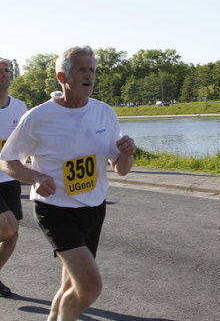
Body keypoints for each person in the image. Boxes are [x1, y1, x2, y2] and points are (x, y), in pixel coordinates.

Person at [0, 46, 136, 321]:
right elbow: (8, 162)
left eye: (93, 70)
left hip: (93, 208)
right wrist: (36, 177)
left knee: (70, 286)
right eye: (82, 70)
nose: (90, 75)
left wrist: (127, 153)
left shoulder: (105, 113)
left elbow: (121, 169)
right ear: (63, 76)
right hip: (55, 210)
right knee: (89, 287)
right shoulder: (38, 117)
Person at [0, 57, 27, 297]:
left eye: (7, 70)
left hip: (9, 178)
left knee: (12, 235)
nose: (3, 74)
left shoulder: (20, 107)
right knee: (7, 227)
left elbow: (30, 141)